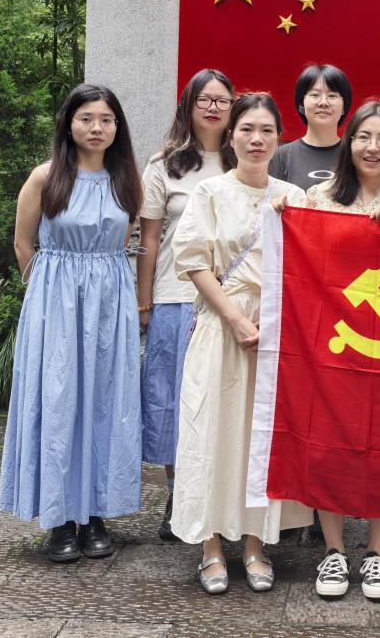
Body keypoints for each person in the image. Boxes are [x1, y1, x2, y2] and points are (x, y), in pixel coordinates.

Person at [170, 92, 314, 594]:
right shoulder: (210, 192)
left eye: (267, 130)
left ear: (279, 138)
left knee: (263, 437)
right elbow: (193, 263)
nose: (257, 139)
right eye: (247, 129)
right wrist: (234, 318)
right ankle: (210, 546)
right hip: (221, 323)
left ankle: (256, 542)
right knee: (212, 429)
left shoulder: (295, 196)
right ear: (231, 136)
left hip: (278, 330)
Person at [0, 84, 144, 563]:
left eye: (106, 119)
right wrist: (48, 298)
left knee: (105, 401)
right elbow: (24, 245)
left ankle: (96, 513)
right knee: (58, 403)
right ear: (68, 123)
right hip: (55, 304)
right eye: (86, 118)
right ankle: (60, 518)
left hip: (109, 305)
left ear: (117, 127)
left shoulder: (126, 180)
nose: (96, 128)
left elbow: (123, 242)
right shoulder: (45, 178)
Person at [295, 101, 380, 602]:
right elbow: (301, 259)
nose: (373, 148)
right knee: (327, 441)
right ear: (348, 142)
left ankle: (376, 552)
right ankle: (334, 550)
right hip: (332, 342)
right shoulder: (318, 197)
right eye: (363, 137)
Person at [136, 69, 234, 542]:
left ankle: (223, 498)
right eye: (204, 100)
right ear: (188, 106)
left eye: (222, 100)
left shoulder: (245, 157)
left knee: (223, 400)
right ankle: (179, 496)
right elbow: (150, 239)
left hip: (232, 301)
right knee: (173, 402)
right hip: (176, 298)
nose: (213, 108)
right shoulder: (164, 165)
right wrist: (144, 302)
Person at [268, 63, 352, 189]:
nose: (323, 102)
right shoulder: (280, 156)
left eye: (332, 96)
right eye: (315, 95)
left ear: (344, 107)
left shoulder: (354, 154)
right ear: (301, 105)